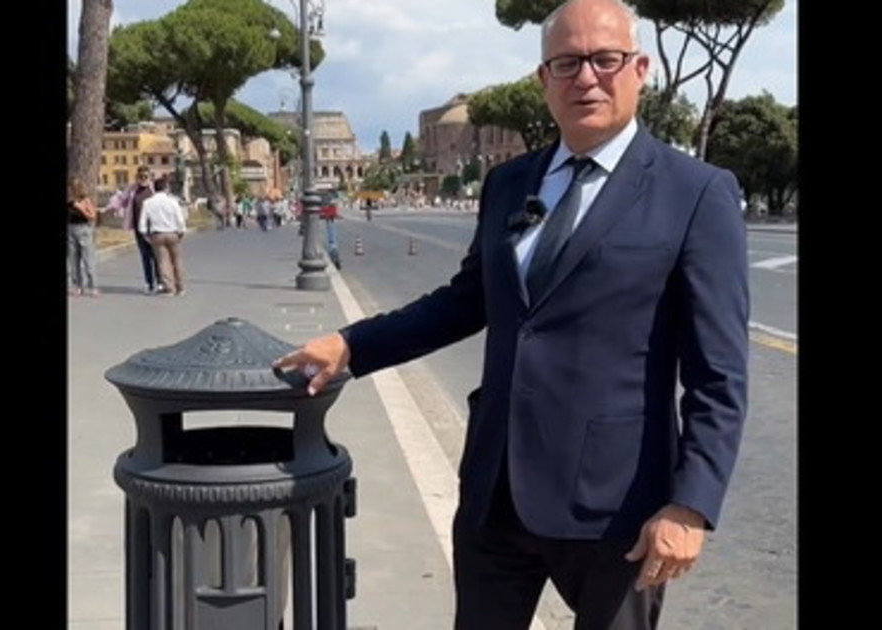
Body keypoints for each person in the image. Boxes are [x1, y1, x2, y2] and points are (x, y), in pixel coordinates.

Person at [273, 0, 749, 628]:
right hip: (497, 490)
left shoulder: (696, 192)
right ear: (542, 80)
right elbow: (466, 302)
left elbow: (719, 374)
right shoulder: (510, 184)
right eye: (567, 62)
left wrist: (691, 505)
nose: (587, 77)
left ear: (640, 69)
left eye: (605, 60)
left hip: (619, 506)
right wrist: (353, 345)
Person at [107, 165, 161, 294]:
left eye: (145, 176)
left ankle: (160, 282)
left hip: (153, 228)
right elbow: (120, 200)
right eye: (140, 176)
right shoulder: (132, 189)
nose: (142, 179)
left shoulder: (154, 190)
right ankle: (149, 283)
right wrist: (109, 207)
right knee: (145, 256)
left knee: (156, 255)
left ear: (150, 177)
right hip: (138, 228)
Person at [137, 176, 188, 296]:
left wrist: (145, 235)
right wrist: (181, 231)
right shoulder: (173, 201)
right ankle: (180, 287)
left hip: (157, 234)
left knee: (162, 261)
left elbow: (142, 223)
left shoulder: (148, 203)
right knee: (176, 260)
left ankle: (169, 287)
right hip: (172, 232)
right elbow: (180, 220)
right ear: (167, 188)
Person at [67, 177, 99, 297]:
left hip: (83, 229)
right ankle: (76, 286)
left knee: (87, 259)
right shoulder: (68, 202)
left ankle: (92, 286)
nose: (71, 190)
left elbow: (92, 216)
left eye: (73, 188)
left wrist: (80, 207)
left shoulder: (85, 200)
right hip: (70, 230)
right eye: (70, 188)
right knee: (73, 260)